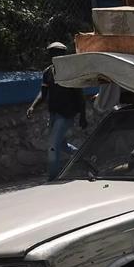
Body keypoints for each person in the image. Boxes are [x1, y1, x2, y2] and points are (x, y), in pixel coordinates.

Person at [28, 42, 87, 179]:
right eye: (52, 53)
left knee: (52, 145)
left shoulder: (70, 72)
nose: (54, 56)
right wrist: (33, 106)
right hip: (53, 112)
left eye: (57, 53)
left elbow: (80, 95)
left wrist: (83, 116)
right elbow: (43, 93)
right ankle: (85, 158)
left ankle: (53, 176)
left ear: (63, 54)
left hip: (66, 113)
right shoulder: (48, 72)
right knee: (61, 145)